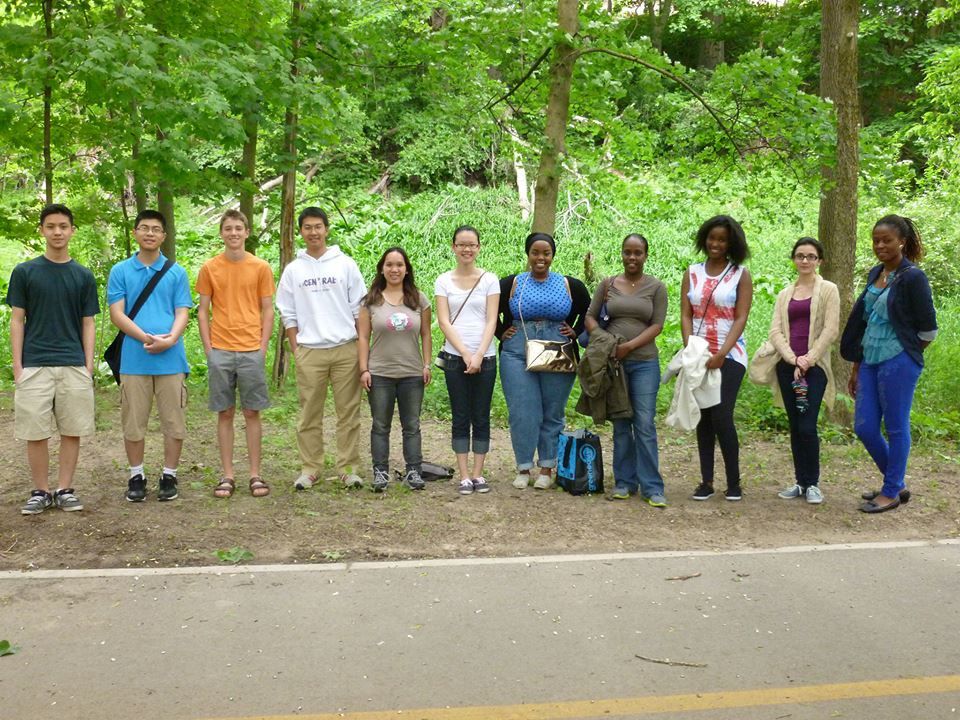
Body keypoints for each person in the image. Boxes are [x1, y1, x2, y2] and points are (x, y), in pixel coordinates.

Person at [840, 215, 938, 513]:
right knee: (865, 426)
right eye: (876, 240)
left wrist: (906, 353)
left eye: (887, 240)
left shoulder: (913, 277)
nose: (880, 245)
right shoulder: (876, 273)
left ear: (902, 242)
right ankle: (896, 483)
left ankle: (891, 490)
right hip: (869, 360)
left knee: (896, 427)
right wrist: (857, 366)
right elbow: (866, 322)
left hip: (899, 361)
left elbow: (928, 330)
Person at [8, 204, 99, 514]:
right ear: (42, 230)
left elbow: (89, 322)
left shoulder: (83, 276)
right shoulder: (25, 272)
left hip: (73, 364)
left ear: (72, 230)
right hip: (34, 365)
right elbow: (17, 320)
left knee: (72, 429)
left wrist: (88, 365)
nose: (57, 232)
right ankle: (40, 491)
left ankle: (64, 489)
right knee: (35, 431)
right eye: (51, 226)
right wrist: (18, 366)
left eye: (63, 226)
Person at [276, 207, 366, 491]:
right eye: (307, 228)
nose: (313, 232)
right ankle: (310, 468)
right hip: (310, 351)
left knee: (348, 412)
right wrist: (296, 346)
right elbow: (287, 312)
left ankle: (348, 468)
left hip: (345, 348)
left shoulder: (345, 264)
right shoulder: (294, 270)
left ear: (327, 229)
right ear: (301, 232)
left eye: (318, 227)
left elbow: (358, 309)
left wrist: (360, 345)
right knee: (309, 413)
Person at [107, 209, 193, 502]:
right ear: (135, 233)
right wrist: (145, 338)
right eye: (144, 228)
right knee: (133, 420)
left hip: (171, 359)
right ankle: (136, 474)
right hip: (134, 358)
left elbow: (183, 310)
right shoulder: (120, 271)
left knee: (174, 420)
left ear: (164, 236)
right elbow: (117, 313)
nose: (150, 233)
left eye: (156, 229)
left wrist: (171, 339)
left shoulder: (176, 272)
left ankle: (170, 473)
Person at [497, 232, 591, 490]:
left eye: (546, 253)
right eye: (535, 252)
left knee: (552, 410)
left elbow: (589, 312)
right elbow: (489, 310)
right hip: (517, 349)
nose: (540, 258)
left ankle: (547, 468)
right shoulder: (512, 283)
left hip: (557, 348)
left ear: (553, 255)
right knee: (522, 410)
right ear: (528, 254)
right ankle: (524, 467)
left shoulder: (570, 285)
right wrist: (500, 331)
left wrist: (576, 331)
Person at [196, 210, 276, 499]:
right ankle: (227, 475)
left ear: (247, 231)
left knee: (252, 412)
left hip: (251, 348)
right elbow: (203, 312)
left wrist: (263, 346)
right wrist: (208, 349)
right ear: (221, 233)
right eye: (228, 228)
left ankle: (255, 474)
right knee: (225, 412)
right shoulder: (209, 268)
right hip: (220, 349)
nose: (233, 233)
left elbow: (268, 309)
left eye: (238, 228)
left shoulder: (260, 267)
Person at [584, 234, 668, 507]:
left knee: (643, 423)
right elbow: (589, 317)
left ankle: (652, 487)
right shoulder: (608, 285)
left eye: (638, 253)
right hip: (614, 364)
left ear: (646, 255)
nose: (632, 258)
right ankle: (624, 482)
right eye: (628, 252)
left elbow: (657, 326)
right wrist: (605, 341)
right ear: (621, 253)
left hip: (644, 362)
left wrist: (629, 346)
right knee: (621, 422)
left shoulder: (656, 287)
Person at [680, 215, 753, 501]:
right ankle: (706, 481)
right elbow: (686, 313)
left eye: (722, 239)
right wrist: (690, 348)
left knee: (722, 416)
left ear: (731, 243)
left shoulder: (740, 274)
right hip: (698, 352)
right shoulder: (692, 272)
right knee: (704, 419)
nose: (716, 244)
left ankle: (734, 482)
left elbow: (741, 316)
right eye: (712, 238)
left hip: (730, 354)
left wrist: (722, 352)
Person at [765, 238, 840, 504]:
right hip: (788, 368)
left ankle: (813, 483)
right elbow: (775, 330)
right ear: (794, 259)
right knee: (795, 426)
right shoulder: (785, 294)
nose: (805, 261)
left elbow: (831, 329)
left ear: (819, 260)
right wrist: (792, 359)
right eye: (800, 256)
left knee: (807, 426)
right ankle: (800, 482)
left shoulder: (829, 290)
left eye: (811, 256)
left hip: (814, 369)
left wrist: (807, 360)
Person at [357, 247, 432, 492]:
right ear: (382, 268)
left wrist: (426, 364)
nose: (394, 269)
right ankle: (380, 473)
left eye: (399, 265)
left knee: (412, 425)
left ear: (407, 269)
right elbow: (363, 337)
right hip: (379, 373)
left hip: (411, 373)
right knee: (380, 425)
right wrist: (363, 369)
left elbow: (426, 334)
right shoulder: (370, 302)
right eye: (389, 264)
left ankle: (414, 471)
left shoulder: (419, 299)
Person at [434, 226, 500, 495]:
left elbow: (492, 320)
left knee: (481, 414)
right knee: (460, 414)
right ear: (453, 247)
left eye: (472, 245)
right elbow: (443, 321)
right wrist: (464, 353)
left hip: (486, 357)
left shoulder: (489, 279)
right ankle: (463, 474)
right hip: (454, 357)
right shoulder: (443, 280)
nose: (467, 249)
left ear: (479, 247)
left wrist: (479, 354)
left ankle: (478, 473)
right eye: (461, 244)